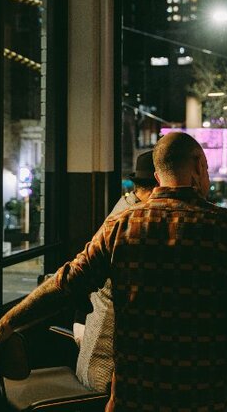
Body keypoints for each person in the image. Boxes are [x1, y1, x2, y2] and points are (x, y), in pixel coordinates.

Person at [0, 132, 227, 411]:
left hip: (135, 395)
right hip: (205, 395)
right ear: (198, 167)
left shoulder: (121, 226)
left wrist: (8, 322)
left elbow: (66, 284)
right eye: (207, 169)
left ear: (158, 177)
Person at [74, 150, 157, 393]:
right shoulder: (131, 220)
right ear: (155, 187)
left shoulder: (126, 205)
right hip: (107, 370)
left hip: (96, 352)